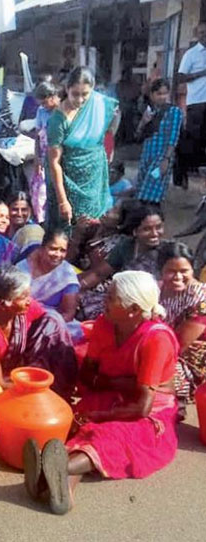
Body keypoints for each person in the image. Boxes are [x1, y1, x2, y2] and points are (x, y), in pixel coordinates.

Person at [25, 271, 179, 515]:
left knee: (110, 434)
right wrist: (117, 384)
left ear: (134, 309)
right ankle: (63, 486)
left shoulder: (156, 339)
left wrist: (103, 412)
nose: (105, 300)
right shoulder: (105, 324)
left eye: (112, 297)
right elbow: (88, 374)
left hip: (147, 412)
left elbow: (142, 407)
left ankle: (50, 472)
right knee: (77, 424)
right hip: (110, 394)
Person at [0, 265, 77, 399]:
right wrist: (34, 387)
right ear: (3, 304)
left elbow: (50, 327)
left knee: (53, 320)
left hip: (17, 373)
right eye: (23, 297)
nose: (29, 301)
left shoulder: (25, 309)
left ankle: (64, 388)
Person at [46, 67, 119, 229]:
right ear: (67, 89)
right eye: (75, 94)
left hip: (94, 178)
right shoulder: (58, 119)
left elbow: (112, 123)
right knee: (70, 229)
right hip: (68, 185)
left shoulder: (99, 105)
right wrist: (62, 200)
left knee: (95, 224)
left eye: (85, 94)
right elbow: (54, 162)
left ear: (92, 90)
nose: (79, 100)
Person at [78, 206, 169, 320]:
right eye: (147, 229)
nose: (155, 234)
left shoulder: (167, 252)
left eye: (159, 227)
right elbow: (99, 273)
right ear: (135, 231)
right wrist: (75, 287)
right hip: (122, 297)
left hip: (150, 304)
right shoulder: (127, 246)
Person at [158, 242, 206, 404]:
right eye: (171, 271)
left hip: (190, 362)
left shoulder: (201, 300)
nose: (178, 277)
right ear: (161, 271)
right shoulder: (157, 289)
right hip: (160, 348)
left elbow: (178, 345)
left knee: (148, 380)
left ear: (193, 270)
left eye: (184, 271)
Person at [134, 79, 182, 205]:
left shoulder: (174, 112)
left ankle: (155, 220)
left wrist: (166, 159)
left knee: (152, 194)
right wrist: (143, 122)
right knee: (141, 193)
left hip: (161, 157)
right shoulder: (149, 112)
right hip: (147, 155)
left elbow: (173, 136)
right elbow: (138, 136)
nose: (162, 97)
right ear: (152, 95)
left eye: (165, 94)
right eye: (159, 94)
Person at [16, 229, 79, 322]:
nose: (57, 254)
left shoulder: (67, 274)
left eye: (62, 251)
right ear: (42, 248)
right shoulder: (23, 267)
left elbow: (68, 314)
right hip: (20, 316)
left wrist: (46, 326)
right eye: (53, 249)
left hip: (52, 323)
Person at [176, 22, 206, 184]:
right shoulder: (191, 54)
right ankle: (186, 171)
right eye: (201, 33)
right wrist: (202, 73)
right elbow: (181, 77)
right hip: (197, 101)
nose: (204, 35)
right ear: (197, 35)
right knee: (193, 137)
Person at [31, 80, 61, 223]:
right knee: (41, 194)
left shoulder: (63, 110)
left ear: (53, 97)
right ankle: (43, 222)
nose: (43, 106)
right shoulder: (41, 112)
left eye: (44, 103)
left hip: (59, 158)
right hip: (44, 158)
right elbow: (37, 137)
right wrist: (37, 159)